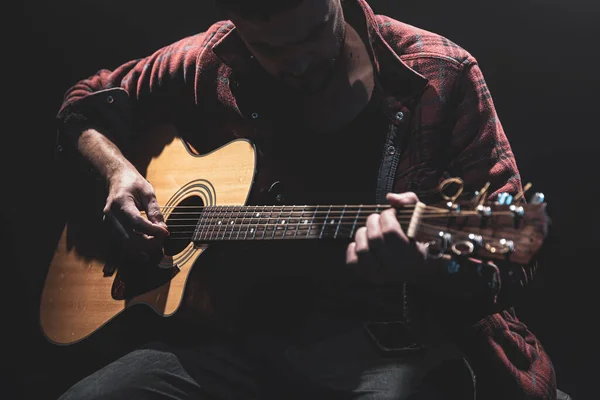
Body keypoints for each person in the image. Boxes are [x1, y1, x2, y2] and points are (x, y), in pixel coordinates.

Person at [53, 0, 558, 399]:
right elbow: (85, 103)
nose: (297, 61)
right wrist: (117, 172)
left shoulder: (438, 74)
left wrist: (425, 264)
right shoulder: (210, 61)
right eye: (270, 49)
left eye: (313, 34)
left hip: (386, 342)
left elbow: (517, 250)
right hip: (231, 336)